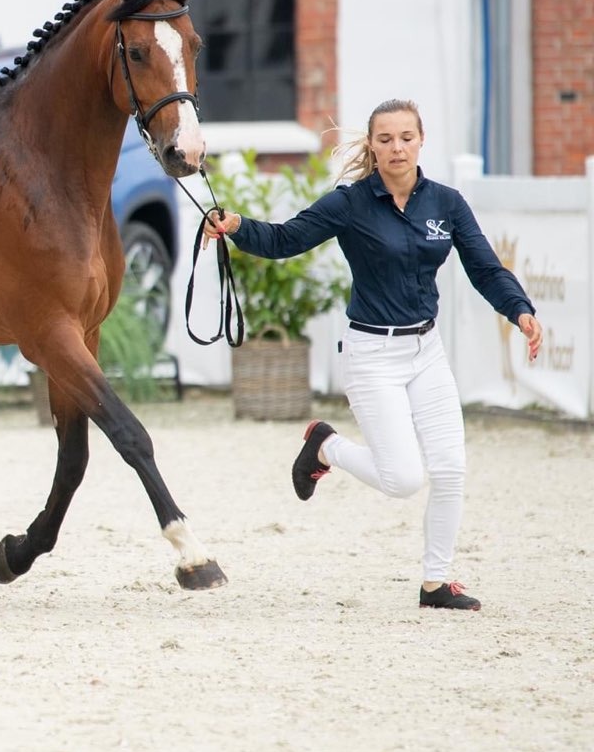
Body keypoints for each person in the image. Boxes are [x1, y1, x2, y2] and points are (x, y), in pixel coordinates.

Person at [202, 98, 542, 612]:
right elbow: (285, 238)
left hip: (427, 352)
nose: (397, 147)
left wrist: (519, 311)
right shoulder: (350, 203)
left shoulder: (447, 204)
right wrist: (236, 225)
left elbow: (485, 268)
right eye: (385, 139)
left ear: (422, 140)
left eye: (406, 137)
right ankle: (325, 446)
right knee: (403, 480)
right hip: (370, 354)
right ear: (372, 146)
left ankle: (435, 585)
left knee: (450, 468)